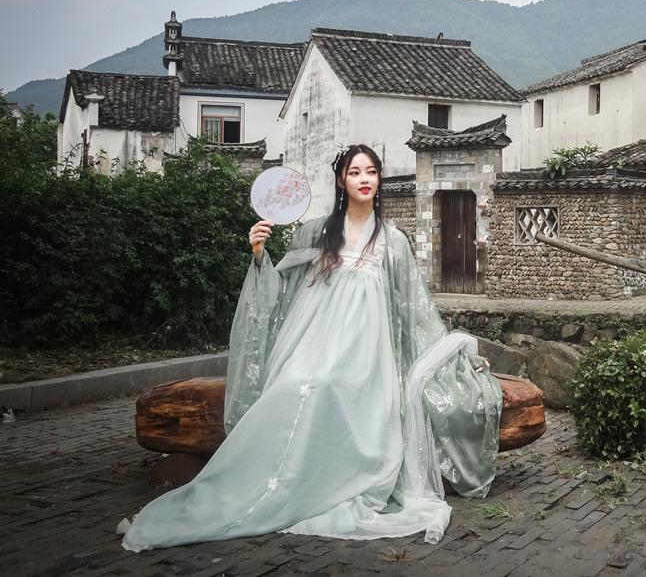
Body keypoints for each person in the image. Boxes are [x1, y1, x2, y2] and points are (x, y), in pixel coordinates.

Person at [118, 145, 501, 551]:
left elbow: (415, 310)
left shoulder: (392, 241)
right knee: (300, 385)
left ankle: (342, 477)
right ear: (341, 180)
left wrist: (453, 354)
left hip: (368, 357)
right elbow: (283, 292)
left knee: (338, 389)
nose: (365, 179)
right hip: (312, 345)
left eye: (371, 171)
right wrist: (259, 254)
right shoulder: (315, 233)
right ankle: (275, 482)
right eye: (355, 172)